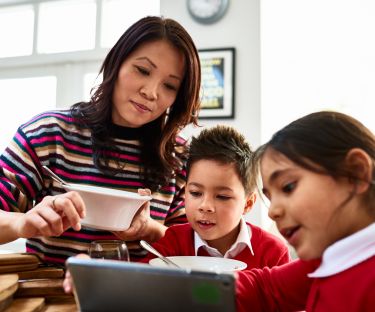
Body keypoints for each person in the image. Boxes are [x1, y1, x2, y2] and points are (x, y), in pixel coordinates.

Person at [0, 16, 201, 264]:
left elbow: (196, 249)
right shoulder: (47, 133)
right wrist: (22, 222)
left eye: (169, 85)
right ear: (116, 63)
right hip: (53, 298)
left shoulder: (180, 158)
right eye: (142, 70)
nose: (151, 92)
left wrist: (149, 229)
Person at [237, 111, 375, 311]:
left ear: (355, 173)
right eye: (270, 198)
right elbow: (264, 288)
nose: (272, 211)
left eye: (288, 187)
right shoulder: (324, 259)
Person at [139, 125, 291, 268]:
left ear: (248, 203)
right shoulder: (173, 241)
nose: (205, 206)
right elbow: (141, 284)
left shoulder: (273, 253)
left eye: (222, 196)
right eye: (196, 193)